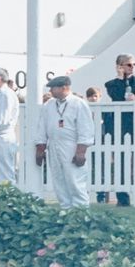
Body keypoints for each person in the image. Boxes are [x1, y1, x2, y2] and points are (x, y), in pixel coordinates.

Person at [35, 75, 94, 209]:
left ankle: (81, 210)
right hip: (54, 145)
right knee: (58, 179)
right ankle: (65, 209)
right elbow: (42, 127)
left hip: (71, 144)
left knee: (74, 179)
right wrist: (41, 147)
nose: (51, 91)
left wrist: (81, 151)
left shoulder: (78, 103)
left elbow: (85, 128)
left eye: (54, 88)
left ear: (64, 87)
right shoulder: (49, 105)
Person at [104, 53, 135, 206]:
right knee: (121, 162)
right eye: (128, 64)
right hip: (120, 127)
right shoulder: (111, 83)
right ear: (120, 66)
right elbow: (116, 96)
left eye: (134, 64)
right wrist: (119, 78)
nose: (132, 68)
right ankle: (122, 197)